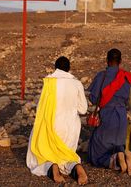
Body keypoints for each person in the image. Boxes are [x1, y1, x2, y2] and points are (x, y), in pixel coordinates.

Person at [26, 56, 88, 185]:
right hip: (71, 128)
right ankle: (75, 167)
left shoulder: (49, 83)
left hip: (52, 126)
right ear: (69, 69)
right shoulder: (76, 83)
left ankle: (50, 166)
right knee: (67, 156)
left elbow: (41, 108)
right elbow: (83, 109)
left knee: (39, 156)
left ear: (56, 68)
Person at [87, 48, 131, 175]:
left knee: (96, 153)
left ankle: (114, 160)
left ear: (107, 60)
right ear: (120, 61)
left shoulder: (101, 76)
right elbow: (128, 98)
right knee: (117, 143)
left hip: (107, 115)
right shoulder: (126, 77)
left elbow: (93, 98)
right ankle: (123, 154)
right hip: (121, 116)